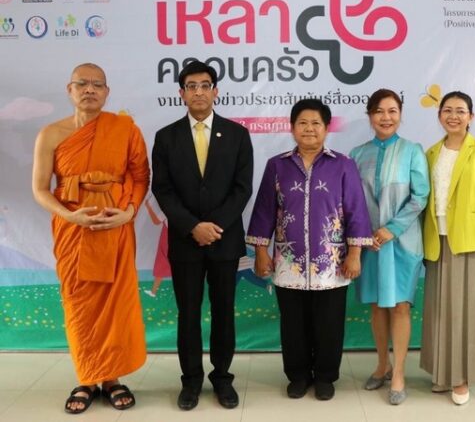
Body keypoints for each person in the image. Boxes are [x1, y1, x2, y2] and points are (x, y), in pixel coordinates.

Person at [31, 63, 149, 414]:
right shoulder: (51, 134)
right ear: (70, 90)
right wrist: (69, 215)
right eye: (82, 83)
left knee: (114, 304)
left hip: (116, 228)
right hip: (73, 230)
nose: (90, 89)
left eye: (97, 84)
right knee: (79, 303)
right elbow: (40, 189)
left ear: (107, 92)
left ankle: (111, 379)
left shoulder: (125, 129)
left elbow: (141, 176)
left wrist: (129, 211)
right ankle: (86, 378)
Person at [246, 98, 372, 401]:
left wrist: (355, 254)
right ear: (292, 128)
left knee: (329, 324)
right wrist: (261, 252)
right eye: (302, 123)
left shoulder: (343, 165)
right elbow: (264, 210)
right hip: (288, 262)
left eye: (316, 123)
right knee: (293, 324)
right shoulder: (277, 165)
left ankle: (326, 376)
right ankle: (298, 376)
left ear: (326, 128)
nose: (309, 128)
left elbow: (356, 211)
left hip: (332, 263)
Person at [151, 61, 253, 410]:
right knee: (188, 315)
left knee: (224, 313)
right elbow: (162, 190)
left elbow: (242, 189)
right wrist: (192, 226)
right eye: (191, 86)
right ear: (181, 93)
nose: (198, 92)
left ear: (216, 91)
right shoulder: (166, 137)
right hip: (185, 242)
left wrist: (214, 227)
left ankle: (222, 379)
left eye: (205, 85)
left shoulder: (237, 134)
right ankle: (191, 381)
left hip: (225, 242)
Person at [419, 91, 475, 405]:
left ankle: (463, 377)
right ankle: (444, 373)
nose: (453, 116)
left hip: (473, 242)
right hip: (438, 241)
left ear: (471, 116)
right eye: (447, 110)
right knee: (441, 312)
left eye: (460, 111)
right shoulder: (430, 153)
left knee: (469, 312)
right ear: (439, 115)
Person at [350, 89, 429, 405]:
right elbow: (352, 201)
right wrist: (363, 234)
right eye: (379, 111)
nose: (386, 117)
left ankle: (398, 373)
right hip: (369, 244)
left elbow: (420, 197)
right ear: (370, 116)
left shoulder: (412, 151)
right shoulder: (357, 154)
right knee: (377, 306)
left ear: (400, 114)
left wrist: (391, 229)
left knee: (399, 306)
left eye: (392, 111)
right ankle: (381, 365)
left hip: (402, 242)